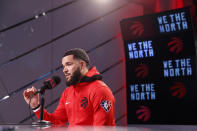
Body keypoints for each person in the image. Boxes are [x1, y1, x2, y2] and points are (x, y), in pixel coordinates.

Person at [23, 48, 115, 126]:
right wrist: (36, 106)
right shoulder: (68, 92)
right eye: (63, 66)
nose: (64, 70)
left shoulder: (100, 91)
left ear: (82, 65)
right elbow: (56, 122)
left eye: (68, 64)